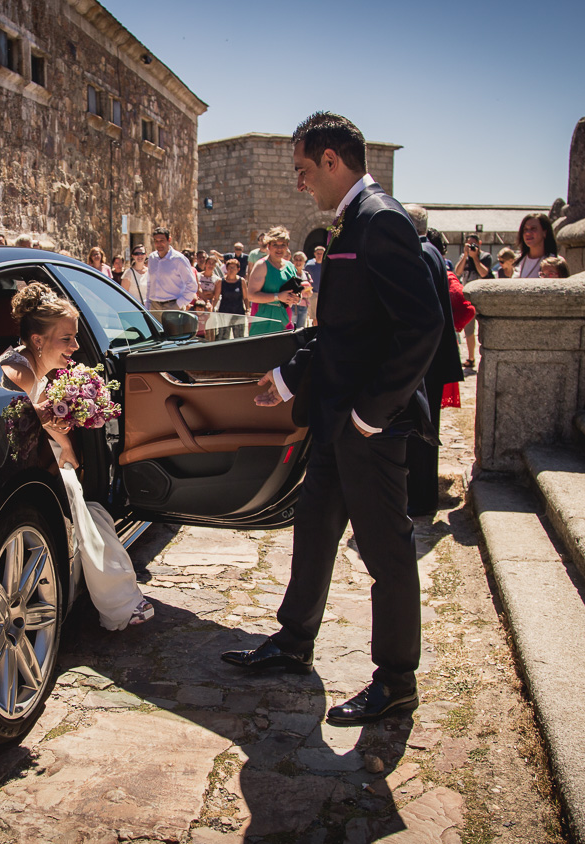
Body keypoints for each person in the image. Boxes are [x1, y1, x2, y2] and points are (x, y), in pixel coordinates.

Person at [221, 112, 443, 727]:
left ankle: (396, 681)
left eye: (300, 171)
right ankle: (294, 641)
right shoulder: (354, 220)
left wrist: (373, 416)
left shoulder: (380, 220)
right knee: (314, 525)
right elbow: (347, 333)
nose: (298, 185)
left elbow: (421, 328)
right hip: (335, 419)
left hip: (367, 426)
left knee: (387, 552)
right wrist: (288, 380)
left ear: (330, 160)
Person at [0, 283, 153, 630]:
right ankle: (122, 602)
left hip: (45, 456)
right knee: (86, 511)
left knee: (92, 513)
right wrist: (68, 448)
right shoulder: (17, 368)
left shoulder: (41, 364)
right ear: (38, 340)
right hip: (25, 462)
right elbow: (37, 409)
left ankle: (122, 598)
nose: (77, 347)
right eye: (67, 339)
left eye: (76, 337)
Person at [404, 205, 463, 517]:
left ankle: (423, 499)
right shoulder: (430, 250)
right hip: (430, 357)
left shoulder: (423, 253)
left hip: (425, 359)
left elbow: (424, 312)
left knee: (422, 431)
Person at [244, 226, 299, 335]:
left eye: (282, 245)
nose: (279, 249)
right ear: (268, 246)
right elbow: (251, 296)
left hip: (285, 319)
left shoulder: (290, 267)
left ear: (287, 246)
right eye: (275, 245)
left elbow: (295, 290)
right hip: (263, 320)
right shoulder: (261, 265)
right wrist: (277, 296)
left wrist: (297, 297)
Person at [145, 226, 198, 313]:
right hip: (154, 307)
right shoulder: (152, 258)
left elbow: (192, 285)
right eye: (156, 241)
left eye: (162, 241)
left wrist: (178, 304)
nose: (159, 244)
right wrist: (148, 304)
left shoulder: (179, 259)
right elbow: (150, 282)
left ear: (169, 240)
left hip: (173, 306)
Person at [512, 213, 558, 278]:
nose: (528, 233)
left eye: (533, 229)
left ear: (544, 233)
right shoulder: (519, 260)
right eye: (525, 229)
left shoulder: (554, 262)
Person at [216, 257, 248, 337]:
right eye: (230, 267)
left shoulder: (242, 281)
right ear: (226, 268)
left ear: (238, 269)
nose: (231, 270)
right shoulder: (221, 281)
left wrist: (248, 309)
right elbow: (216, 297)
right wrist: (213, 308)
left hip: (238, 312)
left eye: (234, 268)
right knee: (223, 337)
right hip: (224, 313)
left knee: (239, 337)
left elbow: (246, 298)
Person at [289, 251, 313, 329]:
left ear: (304, 262)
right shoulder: (290, 273)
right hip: (292, 305)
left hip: (303, 306)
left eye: (300, 260)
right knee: (291, 328)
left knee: (301, 329)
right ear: (293, 261)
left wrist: (308, 291)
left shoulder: (306, 275)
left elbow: (310, 294)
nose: (298, 262)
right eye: (296, 259)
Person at [303, 245, 325, 326]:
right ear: (314, 254)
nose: (319, 255)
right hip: (313, 293)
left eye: (321, 253)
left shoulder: (326, 264)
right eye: (318, 253)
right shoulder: (309, 265)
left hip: (324, 293)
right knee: (314, 316)